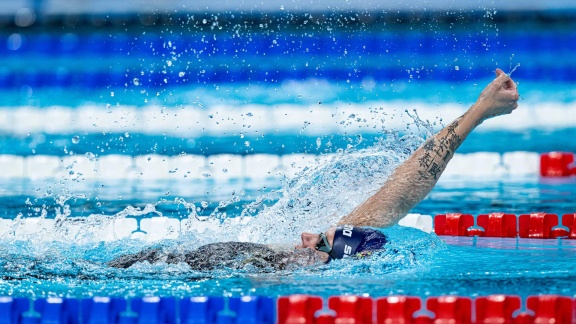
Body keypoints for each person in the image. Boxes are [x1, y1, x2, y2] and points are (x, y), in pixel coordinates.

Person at [109, 69, 519, 270]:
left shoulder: (279, 277)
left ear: (329, 261)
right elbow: (403, 189)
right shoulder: (307, 258)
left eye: (317, 243)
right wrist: (479, 112)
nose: (306, 236)